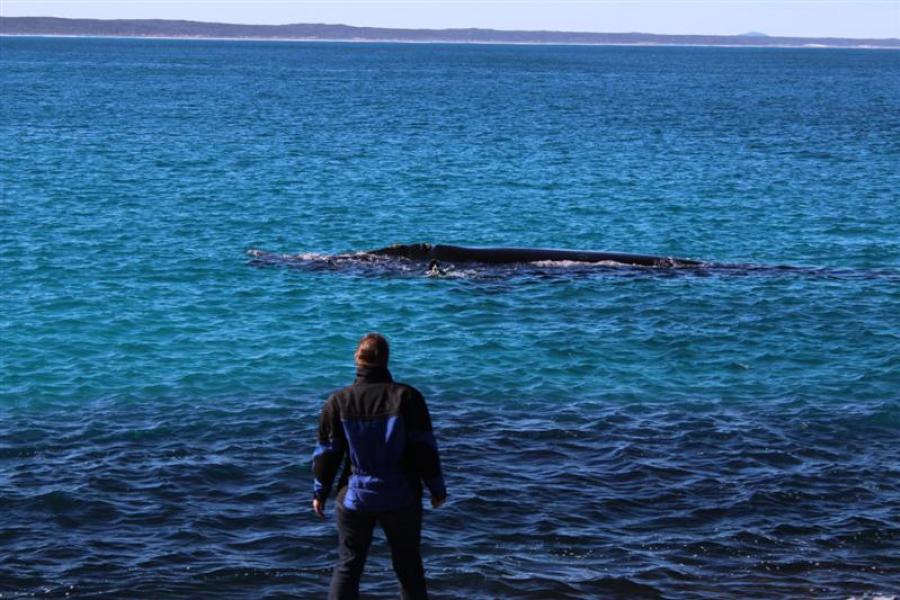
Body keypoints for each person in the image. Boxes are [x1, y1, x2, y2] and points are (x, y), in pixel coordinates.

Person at [313, 333, 447, 600]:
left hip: (355, 497)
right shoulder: (407, 397)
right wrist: (436, 487)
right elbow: (424, 449)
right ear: (386, 359)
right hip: (401, 496)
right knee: (408, 565)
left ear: (357, 360)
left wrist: (320, 492)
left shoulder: (338, 401)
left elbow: (328, 452)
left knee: (349, 565)